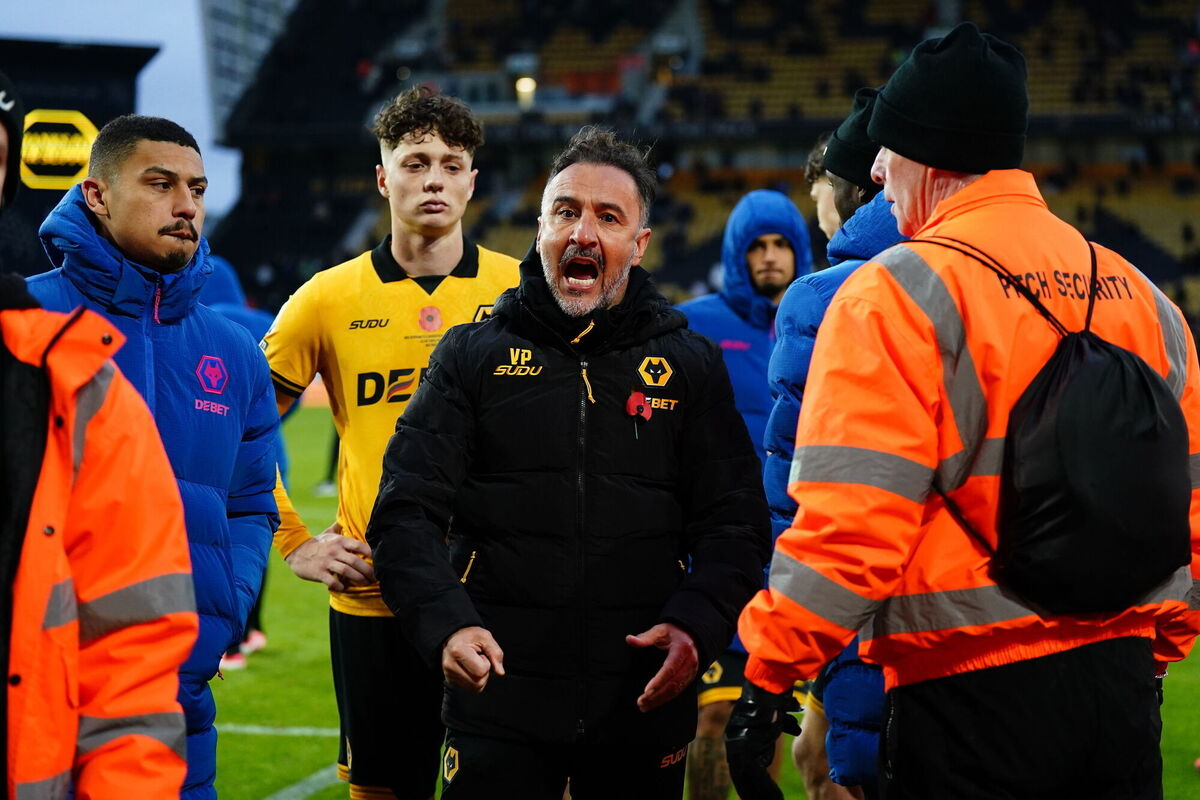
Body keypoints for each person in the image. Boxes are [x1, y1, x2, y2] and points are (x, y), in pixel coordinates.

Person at [734, 23, 1200, 799]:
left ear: (928, 153)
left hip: (965, 699)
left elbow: (852, 530)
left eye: (886, 148)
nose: (875, 170)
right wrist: (1157, 651)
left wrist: (768, 676)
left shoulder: (890, 295)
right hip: (1120, 692)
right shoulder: (1147, 301)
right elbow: (1183, 507)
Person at [364, 125, 771, 800]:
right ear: (541, 228)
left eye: (608, 218)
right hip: (498, 702)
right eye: (565, 212)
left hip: (641, 702)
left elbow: (735, 525)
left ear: (639, 246)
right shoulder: (472, 356)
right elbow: (404, 511)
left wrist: (698, 623)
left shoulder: (690, 364)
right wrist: (448, 622)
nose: (582, 233)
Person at [261, 86, 520, 800]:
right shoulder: (324, 299)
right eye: (414, 162)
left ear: (472, 180)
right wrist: (294, 541)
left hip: (502, 594)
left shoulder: (522, 292)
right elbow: (240, 428)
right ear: (383, 178)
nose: (432, 177)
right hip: (377, 597)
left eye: (450, 162)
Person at [27, 114, 279, 800]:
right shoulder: (25, 322)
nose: (186, 205)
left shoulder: (232, 355)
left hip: (178, 702)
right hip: (36, 700)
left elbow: (250, 503)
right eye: (160, 183)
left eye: (196, 188)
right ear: (97, 195)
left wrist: (225, 607)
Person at [762, 88, 899, 800]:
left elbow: (796, 499)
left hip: (858, 607)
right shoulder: (993, 279)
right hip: (996, 629)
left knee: (847, 774)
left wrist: (774, 656)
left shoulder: (821, 298)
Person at [676, 189, 810, 800]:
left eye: (781, 243)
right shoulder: (698, 325)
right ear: (736, 253)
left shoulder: (823, 322)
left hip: (799, 555)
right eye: (756, 245)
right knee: (712, 716)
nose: (770, 257)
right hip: (723, 557)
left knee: (777, 720)